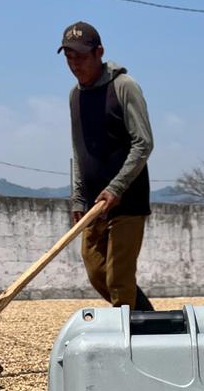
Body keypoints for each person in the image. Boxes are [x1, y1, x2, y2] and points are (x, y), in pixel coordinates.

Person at [59, 21, 154, 310]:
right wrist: (78, 197)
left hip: (127, 200)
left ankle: (130, 332)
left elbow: (143, 143)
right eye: (69, 58)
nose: (75, 64)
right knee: (95, 270)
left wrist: (116, 187)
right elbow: (80, 149)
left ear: (99, 52)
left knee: (118, 279)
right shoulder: (75, 96)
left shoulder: (123, 87)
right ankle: (148, 319)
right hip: (93, 204)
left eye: (81, 57)